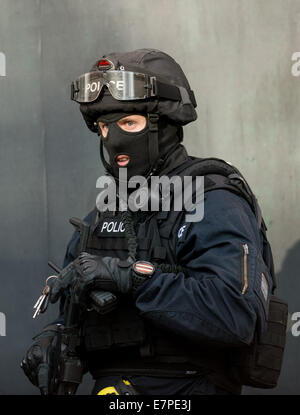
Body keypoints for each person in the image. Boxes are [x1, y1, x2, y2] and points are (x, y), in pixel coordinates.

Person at [21, 48, 275, 395]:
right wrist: (56, 334)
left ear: (166, 124)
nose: (113, 140)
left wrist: (133, 281)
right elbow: (75, 305)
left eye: (129, 123)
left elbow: (235, 316)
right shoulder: (104, 213)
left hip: (187, 387)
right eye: (103, 127)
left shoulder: (212, 200)